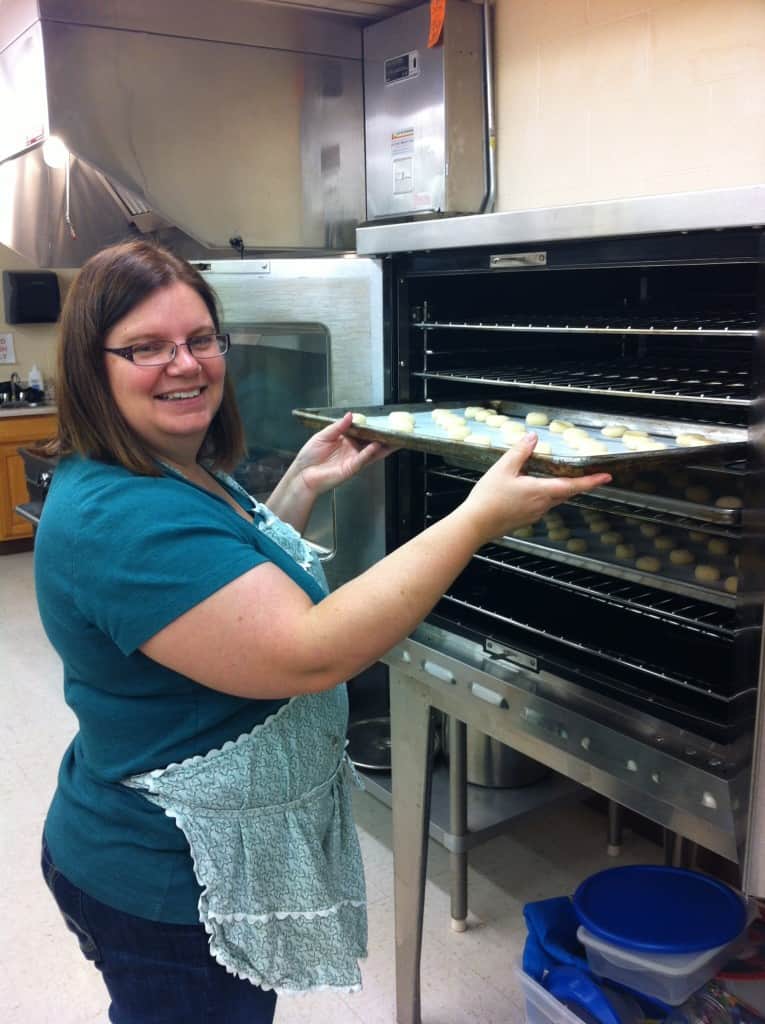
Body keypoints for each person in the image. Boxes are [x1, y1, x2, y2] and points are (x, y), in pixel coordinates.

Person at [34, 239, 610, 1024]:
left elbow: (225, 582)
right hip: (165, 879)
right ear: (91, 365)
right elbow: (311, 651)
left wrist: (299, 484)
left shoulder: (170, 464)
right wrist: (476, 518)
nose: (186, 363)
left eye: (201, 339)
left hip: (188, 846)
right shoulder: (120, 514)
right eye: (146, 347)